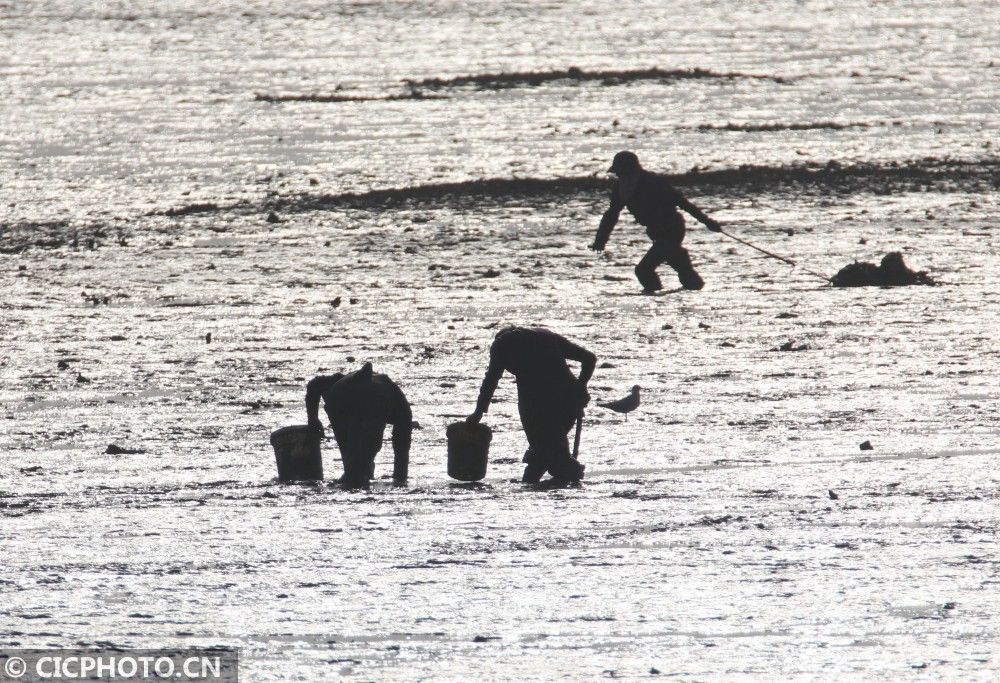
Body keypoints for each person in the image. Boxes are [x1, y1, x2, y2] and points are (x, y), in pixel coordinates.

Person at [466, 326, 596, 483]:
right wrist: (580, 387)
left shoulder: (501, 345)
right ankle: (531, 487)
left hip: (539, 406)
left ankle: (571, 479)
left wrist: (478, 413)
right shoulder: (546, 335)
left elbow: (491, 380)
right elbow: (590, 359)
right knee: (543, 453)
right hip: (568, 400)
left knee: (553, 456)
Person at [590, 150, 723, 292]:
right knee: (682, 269)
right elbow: (611, 215)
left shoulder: (653, 182)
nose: (619, 176)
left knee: (643, 270)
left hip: (671, 228)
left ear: (631, 170)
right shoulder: (620, 187)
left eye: (622, 172)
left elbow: (682, 203)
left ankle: (655, 296)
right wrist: (600, 240)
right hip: (655, 231)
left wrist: (707, 222)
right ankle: (694, 290)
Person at [306, 362, 412, 487]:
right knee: (365, 450)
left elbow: (314, 384)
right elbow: (402, 448)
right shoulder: (398, 403)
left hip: (346, 397)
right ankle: (357, 476)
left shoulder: (338, 382)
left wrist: (313, 419)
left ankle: (353, 478)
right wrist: (400, 479)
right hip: (374, 395)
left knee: (354, 453)